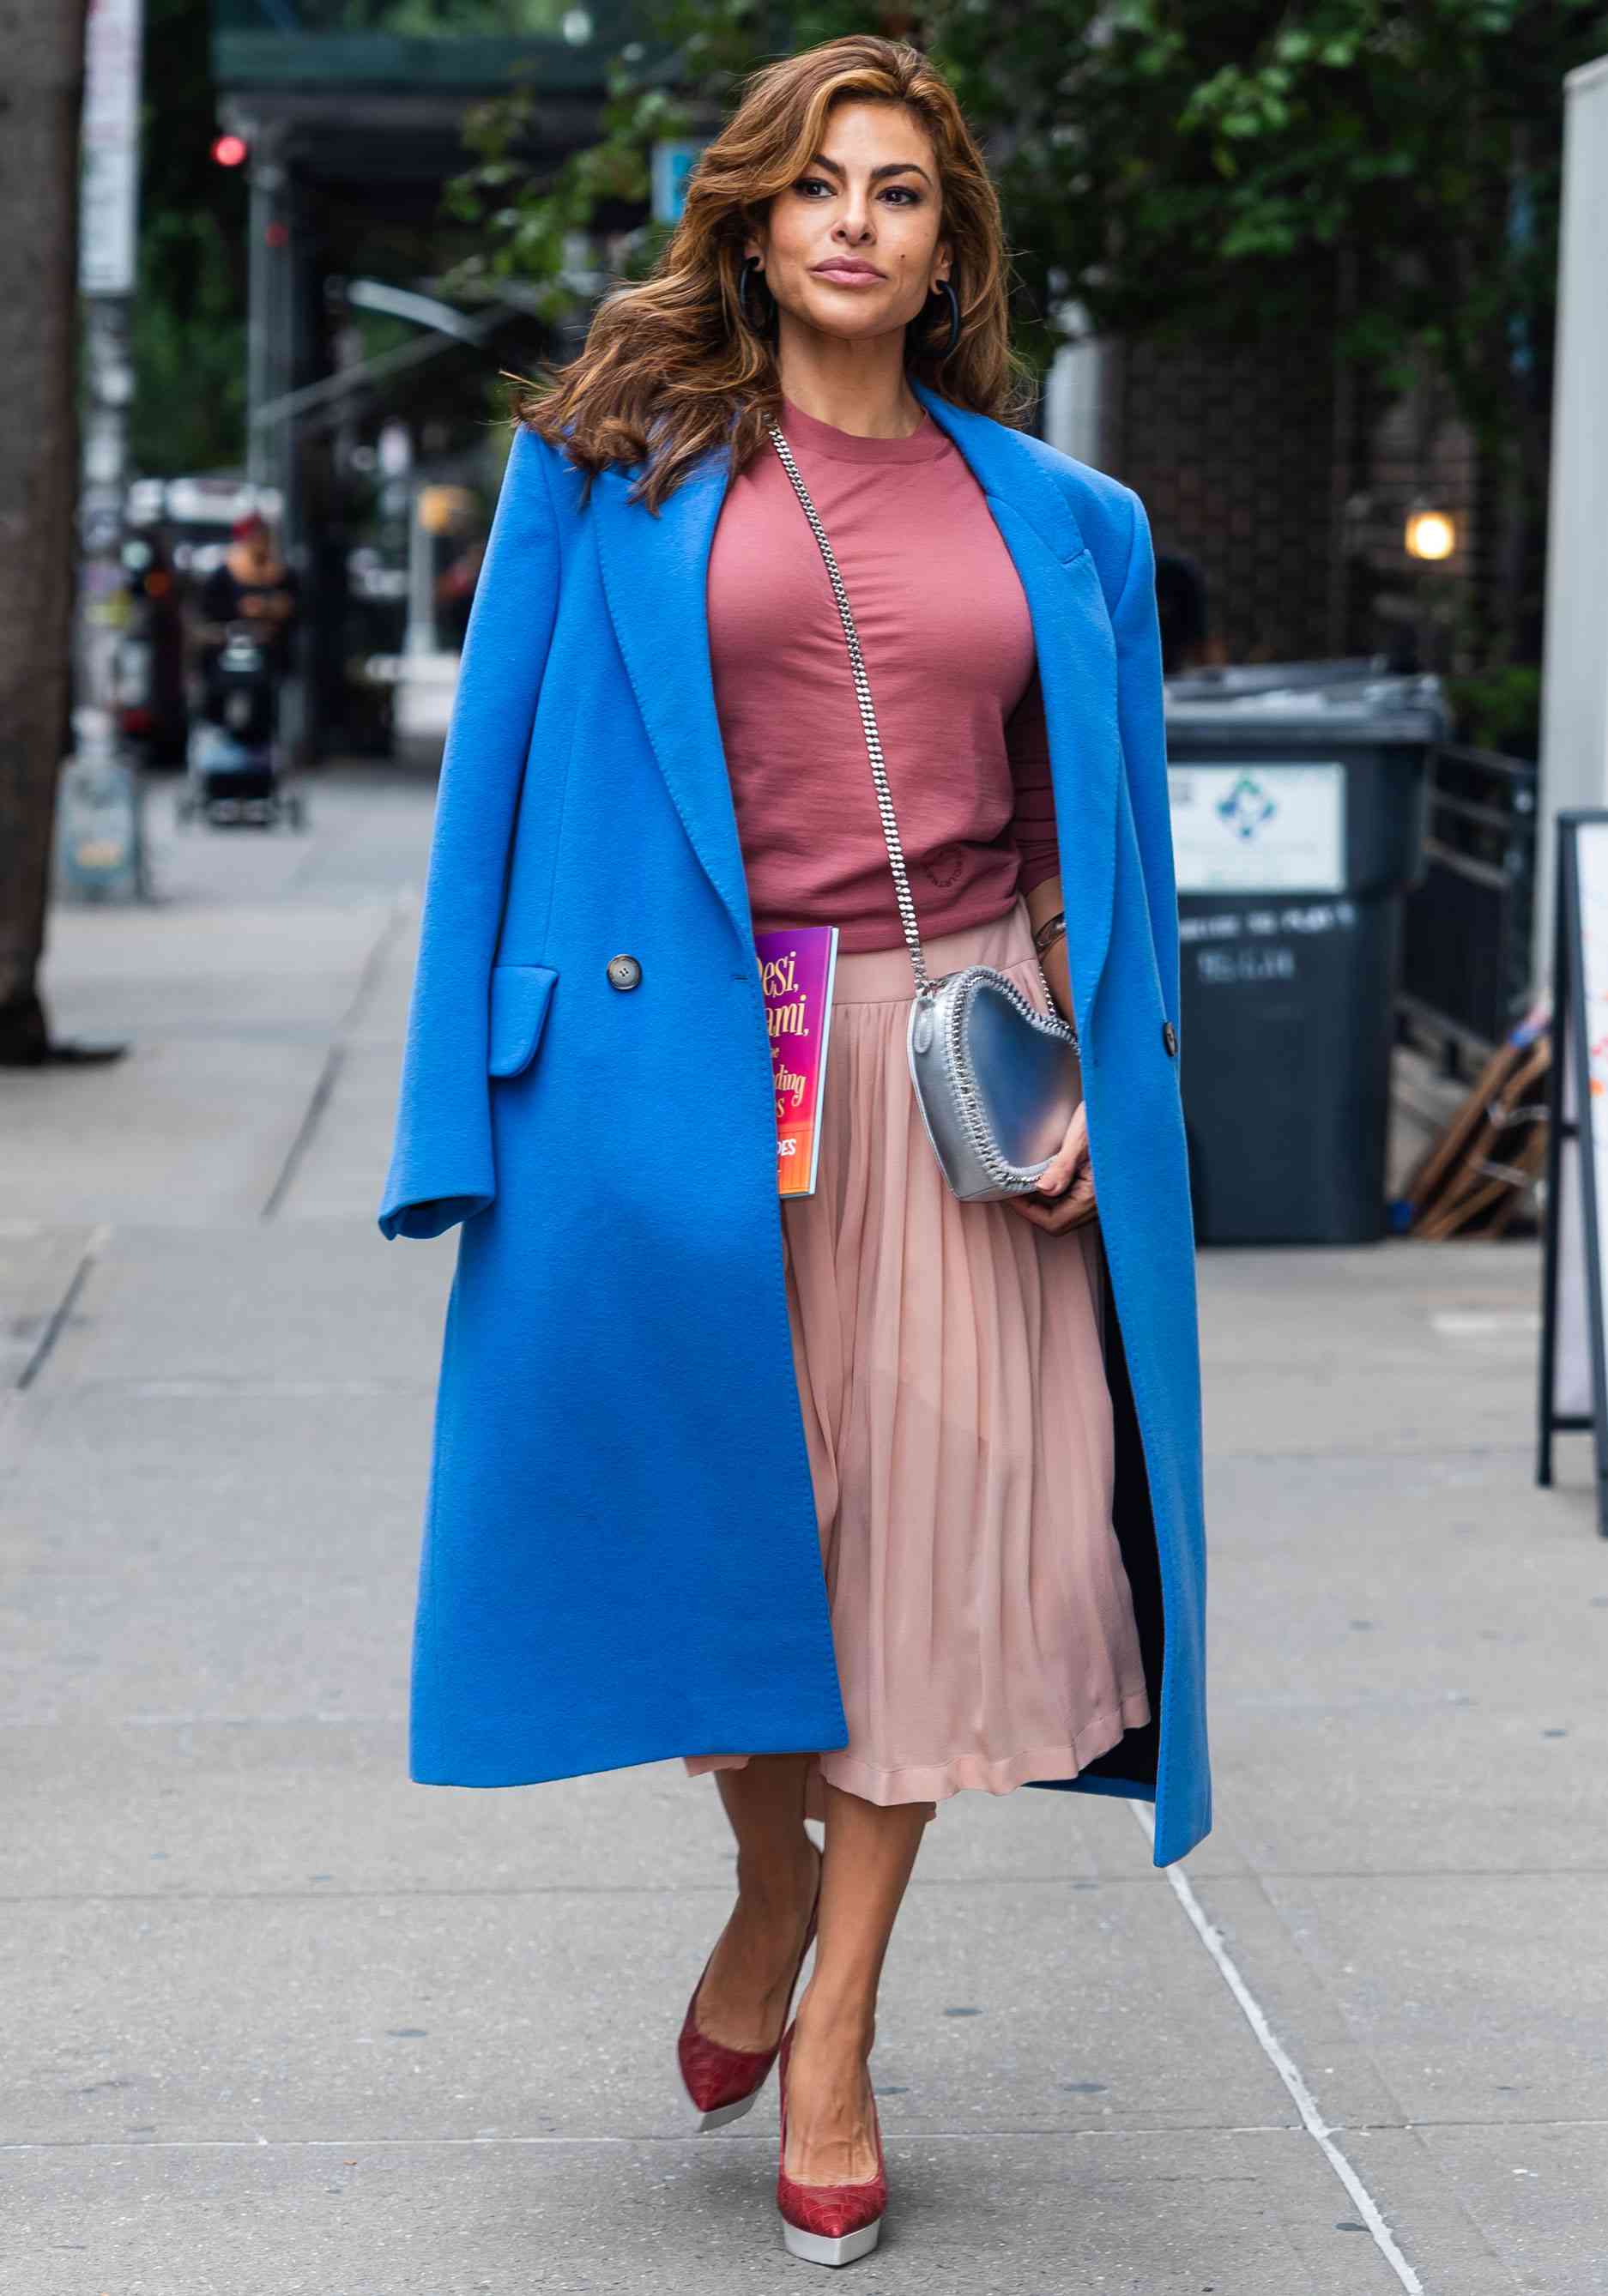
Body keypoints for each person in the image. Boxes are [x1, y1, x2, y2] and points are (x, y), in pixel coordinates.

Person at [377, 33, 1208, 2271]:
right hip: (688, 1083)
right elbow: (495, 815)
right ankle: (768, 1877)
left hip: (952, 1064)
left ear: (950, 244)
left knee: (940, 1552)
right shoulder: (606, 469)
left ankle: (833, 2019)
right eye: (818, 182)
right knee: (748, 1544)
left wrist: (1099, 1102)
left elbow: (1086, 846)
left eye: (902, 190)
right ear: (751, 215)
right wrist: (456, 1120)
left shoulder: (1062, 518)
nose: (856, 219)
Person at [192, 512, 299, 731]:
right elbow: (208, 613)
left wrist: (270, 609)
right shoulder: (224, 574)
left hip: (266, 651)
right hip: (227, 649)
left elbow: (294, 605)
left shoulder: (281, 573)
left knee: (266, 701)